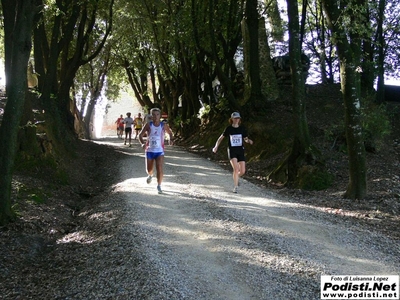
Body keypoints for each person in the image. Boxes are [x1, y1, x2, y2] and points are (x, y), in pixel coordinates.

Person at [212, 112, 253, 193]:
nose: (237, 120)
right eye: (235, 118)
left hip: (240, 150)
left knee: (242, 171)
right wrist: (216, 146)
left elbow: (245, 138)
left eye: (238, 118)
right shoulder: (229, 129)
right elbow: (221, 138)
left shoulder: (242, 129)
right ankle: (235, 186)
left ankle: (236, 178)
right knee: (236, 168)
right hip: (232, 150)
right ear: (231, 119)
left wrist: (249, 141)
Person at [138, 108, 173, 194]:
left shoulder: (163, 125)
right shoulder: (148, 125)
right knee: (149, 169)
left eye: (157, 115)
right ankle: (150, 175)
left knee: (159, 168)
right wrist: (142, 144)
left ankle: (159, 186)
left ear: (160, 116)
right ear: (151, 116)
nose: (155, 116)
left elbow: (170, 133)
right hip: (149, 150)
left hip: (159, 151)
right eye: (153, 115)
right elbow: (140, 135)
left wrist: (170, 139)